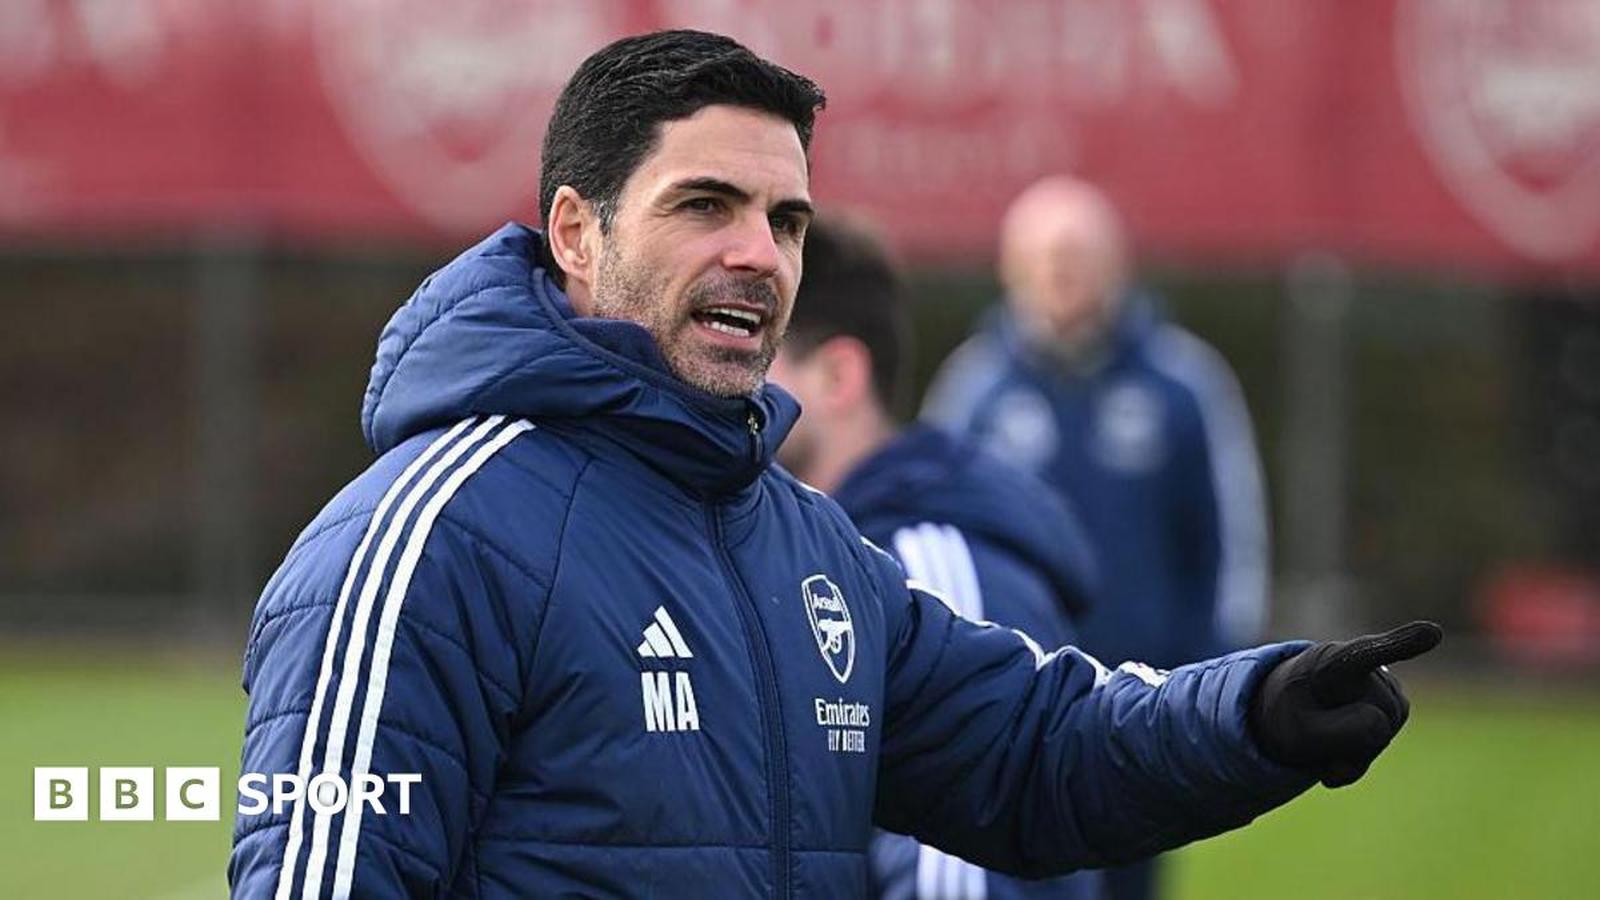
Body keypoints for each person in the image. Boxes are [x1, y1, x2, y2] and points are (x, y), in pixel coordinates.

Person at [231, 30, 1437, 900]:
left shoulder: (808, 547)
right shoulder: (426, 541)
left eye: (787, 220)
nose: (759, 255)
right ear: (575, 233)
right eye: (705, 204)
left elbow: (1030, 756)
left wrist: (1256, 716)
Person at [922, 176, 1273, 900]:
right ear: (1011, 271)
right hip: (1014, 715)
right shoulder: (974, 392)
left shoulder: (1185, 386)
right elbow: (935, 547)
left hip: (1152, 707)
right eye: (1046, 259)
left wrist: (1215, 679)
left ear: (1119, 265)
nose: (1062, 276)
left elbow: (1229, 540)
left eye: (1078, 257)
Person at [768, 216, 1106, 900]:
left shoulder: (926, 569)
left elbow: (961, 874)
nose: (727, 379)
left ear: (837, 375)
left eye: (757, 348)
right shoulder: (820, 551)